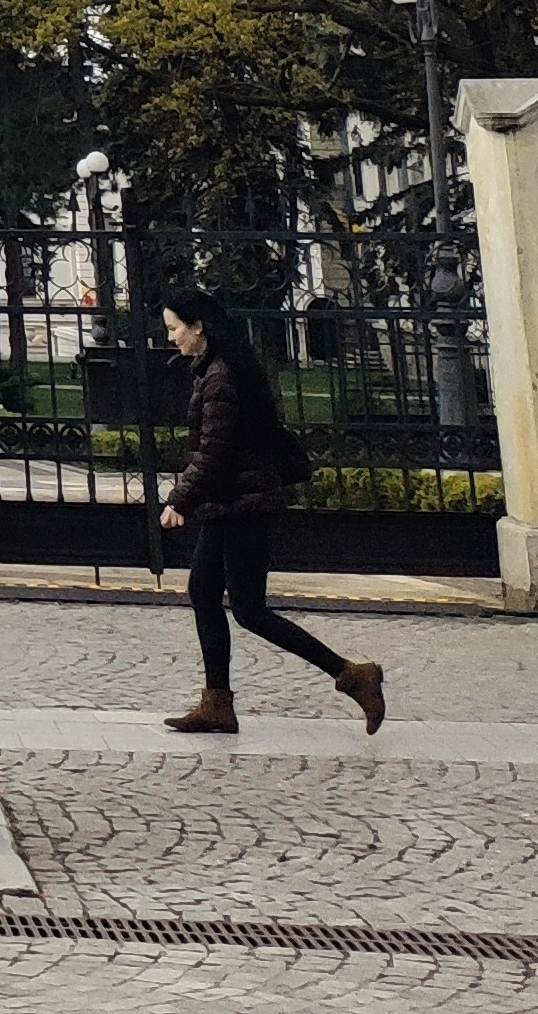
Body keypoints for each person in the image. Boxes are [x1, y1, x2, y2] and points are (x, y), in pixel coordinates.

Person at [155, 288, 387, 737]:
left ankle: (353, 675)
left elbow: (213, 451)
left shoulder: (221, 377)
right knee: (203, 592)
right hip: (230, 502)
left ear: (198, 326)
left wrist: (179, 501)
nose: (171, 339)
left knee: (249, 610)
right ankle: (216, 705)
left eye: (174, 329)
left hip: (247, 505)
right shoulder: (215, 369)